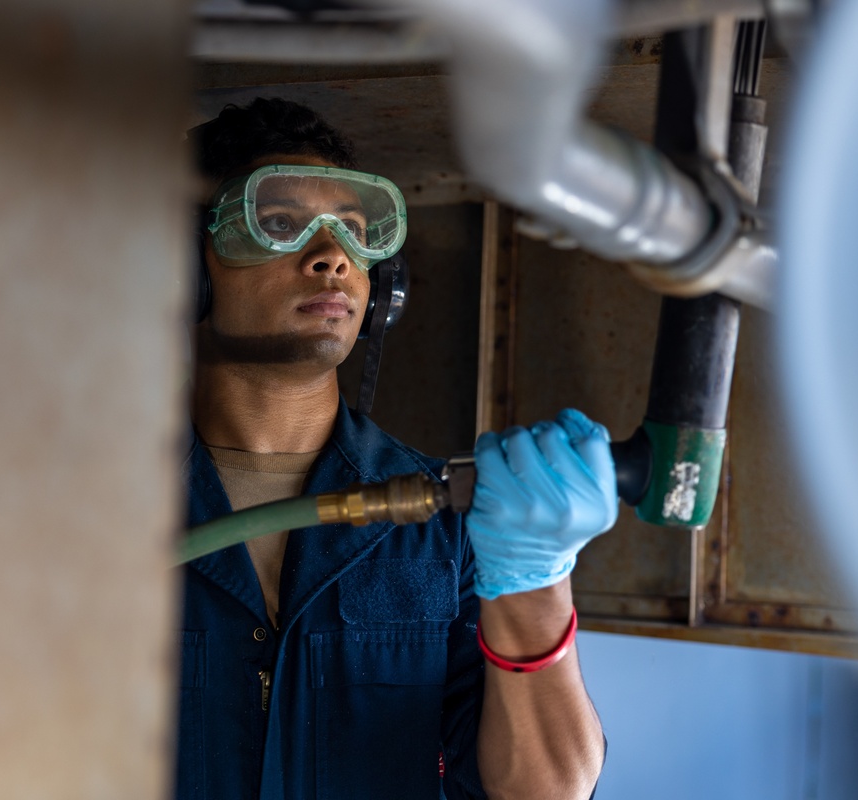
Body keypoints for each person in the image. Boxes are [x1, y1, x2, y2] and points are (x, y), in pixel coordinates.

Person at [177, 97, 616, 799]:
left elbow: (544, 791)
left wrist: (537, 586)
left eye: (353, 232)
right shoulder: (87, 509)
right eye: (281, 223)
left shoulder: (447, 525)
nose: (332, 258)